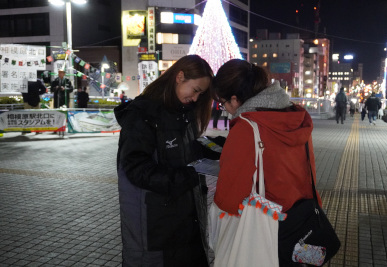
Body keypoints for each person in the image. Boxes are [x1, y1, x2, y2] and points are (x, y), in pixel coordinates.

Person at [209, 59, 322, 265]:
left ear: (235, 99)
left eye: (223, 102)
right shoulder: (297, 117)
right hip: (302, 221)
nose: (224, 108)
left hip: (266, 231)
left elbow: (229, 198)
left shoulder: (246, 128)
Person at [114, 55, 214, 266]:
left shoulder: (184, 113)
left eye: (201, 94)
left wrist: (209, 149)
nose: (196, 99)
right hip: (155, 226)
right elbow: (135, 168)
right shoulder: (142, 114)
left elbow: (180, 151)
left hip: (185, 221)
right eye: (195, 90)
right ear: (179, 77)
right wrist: (185, 177)